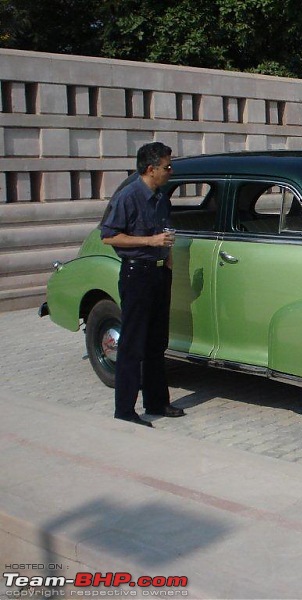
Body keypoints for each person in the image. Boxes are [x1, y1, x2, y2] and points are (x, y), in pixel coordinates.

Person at [100, 142, 185, 427]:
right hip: (137, 273)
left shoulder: (161, 197)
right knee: (133, 344)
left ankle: (157, 401)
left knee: (157, 341)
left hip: (160, 273)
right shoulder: (128, 197)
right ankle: (125, 410)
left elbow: (163, 231)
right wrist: (149, 242)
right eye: (167, 167)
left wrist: (167, 255)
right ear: (151, 169)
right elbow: (110, 236)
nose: (170, 171)